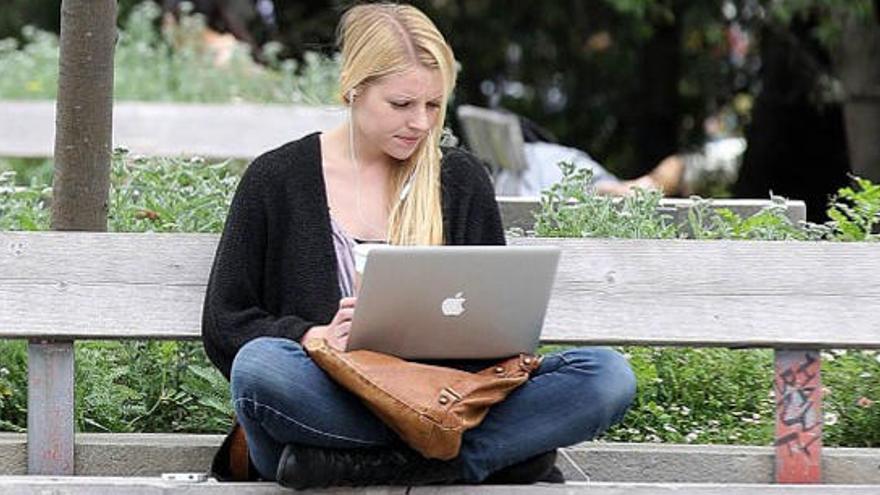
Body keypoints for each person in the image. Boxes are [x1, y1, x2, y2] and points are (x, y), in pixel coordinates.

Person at [202, 2, 636, 489]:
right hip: (329, 398)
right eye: (401, 105)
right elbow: (226, 322)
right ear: (353, 87)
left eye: (433, 105)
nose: (421, 124)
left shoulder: (459, 178)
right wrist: (311, 335)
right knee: (261, 371)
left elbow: (494, 330)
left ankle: (383, 465)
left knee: (607, 375)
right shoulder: (277, 178)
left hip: (444, 401)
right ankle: (486, 460)